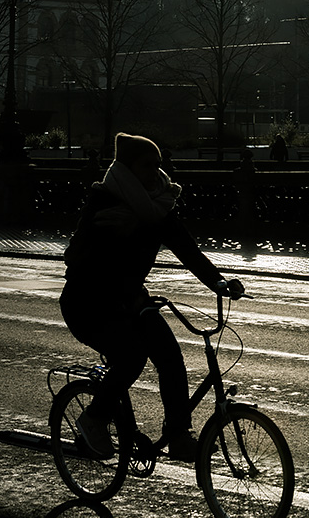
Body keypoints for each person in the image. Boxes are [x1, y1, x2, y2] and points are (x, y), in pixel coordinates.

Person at [59, 132, 244, 462]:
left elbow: (187, 248)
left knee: (171, 357)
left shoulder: (157, 207)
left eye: (159, 164)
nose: (157, 171)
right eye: (148, 165)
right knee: (131, 356)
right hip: (88, 304)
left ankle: (177, 435)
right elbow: (76, 259)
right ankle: (94, 418)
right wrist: (112, 234)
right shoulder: (104, 202)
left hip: (131, 302)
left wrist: (219, 282)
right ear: (128, 169)